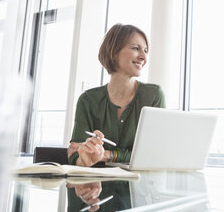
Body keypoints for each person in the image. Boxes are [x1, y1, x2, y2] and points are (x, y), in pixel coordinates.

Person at [68, 24, 165, 167]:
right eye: (135, 48)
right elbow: (75, 153)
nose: (143, 57)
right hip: (96, 184)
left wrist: (107, 155)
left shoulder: (153, 95)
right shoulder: (88, 100)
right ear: (114, 52)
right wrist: (84, 159)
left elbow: (153, 153)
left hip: (140, 186)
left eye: (145, 50)